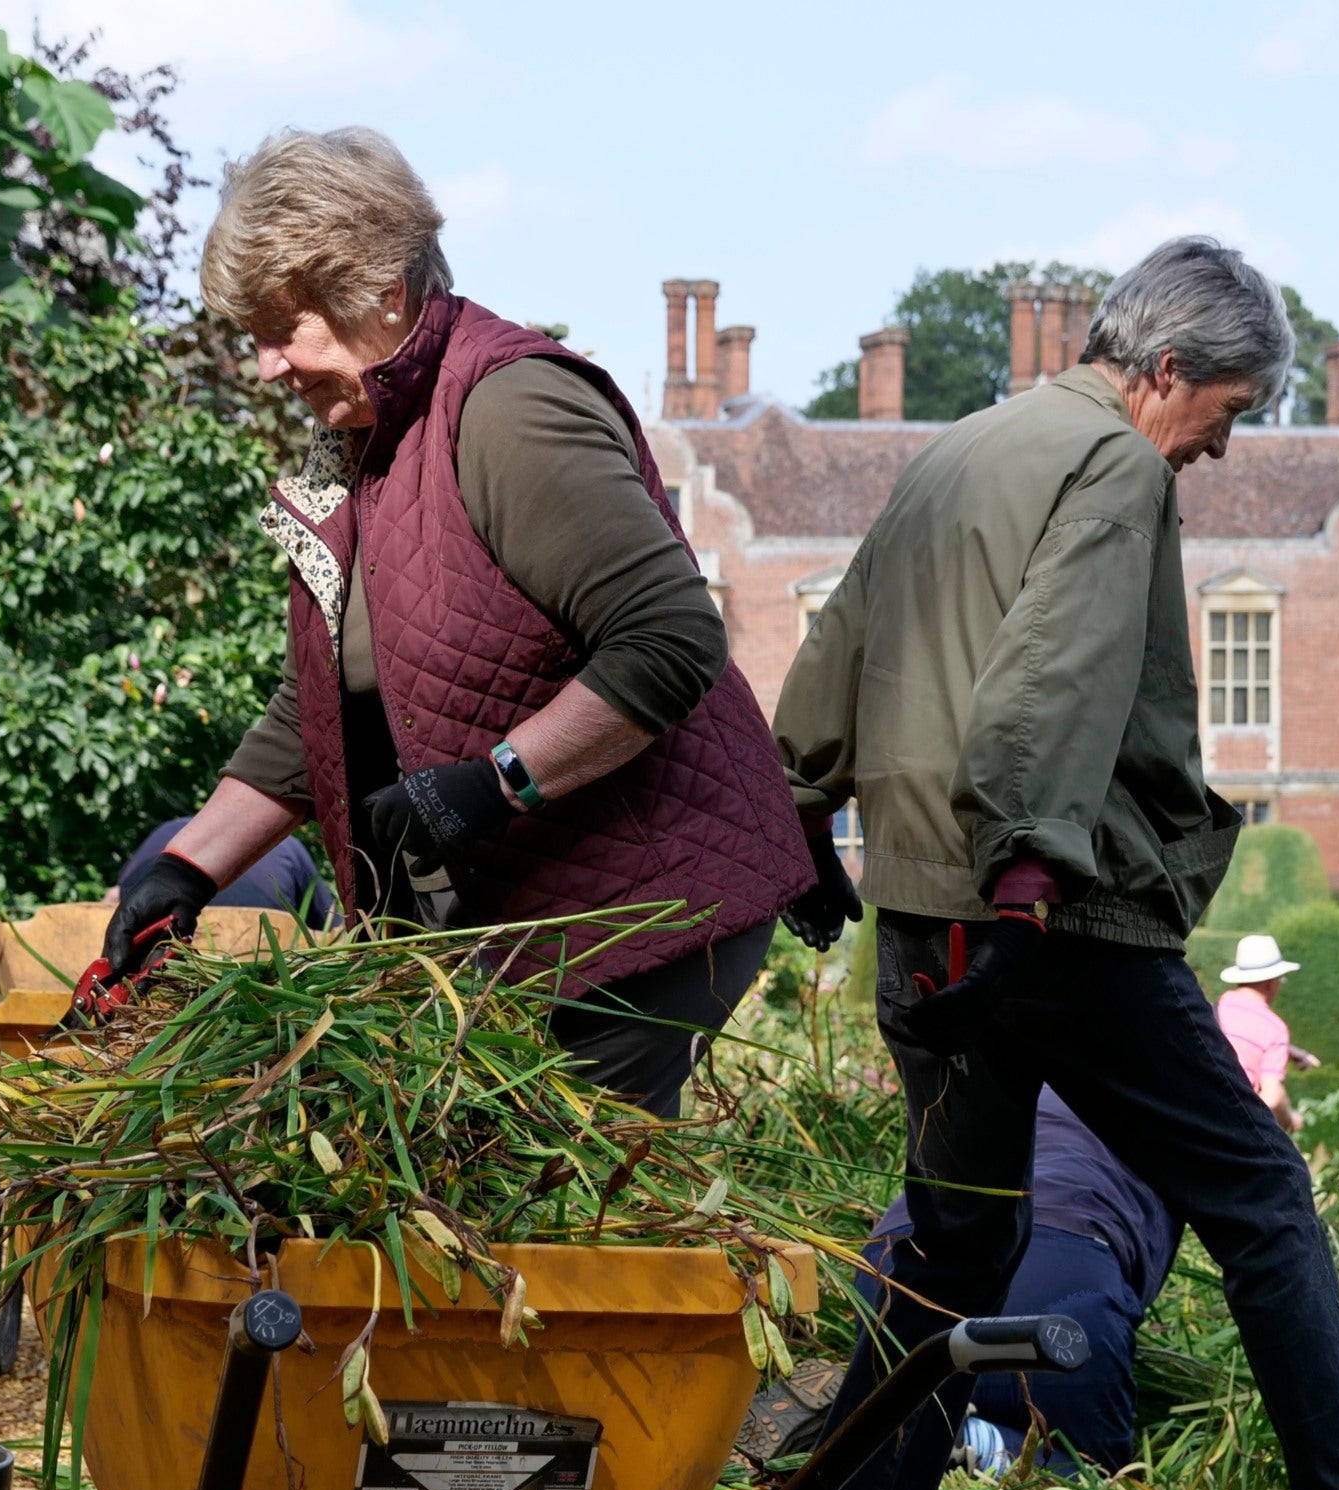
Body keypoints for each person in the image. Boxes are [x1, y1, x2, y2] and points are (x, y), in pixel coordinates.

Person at [757, 237, 1339, 1490]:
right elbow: (1047, 691)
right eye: (1226, 414)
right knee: (1262, 1198)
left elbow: (833, 663)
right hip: (1051, 918)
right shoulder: (1115, 464)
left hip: (927, 923)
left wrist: (806, 822)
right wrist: (1026, 882)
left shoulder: (959, 449)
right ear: (1164, 371)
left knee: (951, 1242)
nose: (1221, 451)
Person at [84, 125, 812, 1123]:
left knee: (542, 1236)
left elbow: (669, 637)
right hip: (510, 929)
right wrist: (187, 866)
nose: (264, 367)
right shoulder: (367, 447)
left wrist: (493, 783)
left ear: (379, 293)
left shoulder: (508, 408)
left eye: (282, 328)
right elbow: (321, 711)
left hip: (630, 920)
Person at [863, 1087, 1181, 1475]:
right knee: (1092, 1469)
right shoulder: (1180, 1105)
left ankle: (879, 1420)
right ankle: (975, 1443)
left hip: (893, 1258)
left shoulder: (1035, 1068)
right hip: (1064, 1286)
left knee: (895, 1393)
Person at [105, 816, 333, 925]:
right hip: (258, 936)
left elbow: (113, 897)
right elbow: (331, 924)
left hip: (161, 929)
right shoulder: (285, 843)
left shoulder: (166, 830)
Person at [1215, 933, 1322, 1134]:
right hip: (1233, 1127)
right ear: (1270, 983)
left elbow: (1237, 1040)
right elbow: (1272, 1097)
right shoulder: (1274, 1028)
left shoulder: (1216, 1007)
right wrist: (1290, 1118)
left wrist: (1289, 1051)